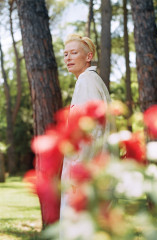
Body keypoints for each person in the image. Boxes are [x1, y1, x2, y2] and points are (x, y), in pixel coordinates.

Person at [60, 34, 113, 221]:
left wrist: (77, 173)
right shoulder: (91, 81)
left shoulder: (86, 81)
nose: (68, 58)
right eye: (65, 54)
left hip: (84, 175)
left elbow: (91, 130)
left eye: (74, 53)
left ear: (88, 56)